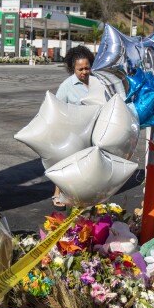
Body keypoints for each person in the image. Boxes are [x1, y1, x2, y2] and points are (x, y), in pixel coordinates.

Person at [51, 45, 95, 208]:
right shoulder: (67, 85)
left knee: (87, 165)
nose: (84, 72)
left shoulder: (97, 81)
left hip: (93, 129)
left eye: (87, 68)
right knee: (67, 163)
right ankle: (58, 193)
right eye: (80, 69)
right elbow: (57, 107)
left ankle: (83, 195)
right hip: (73, 130)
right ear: (72, 69)